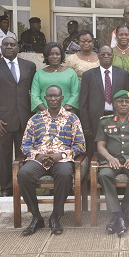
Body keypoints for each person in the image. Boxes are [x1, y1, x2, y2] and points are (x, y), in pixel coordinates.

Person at [18, 85, 85, 236]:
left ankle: (55, 216)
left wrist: (61, 155)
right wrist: (38, 156)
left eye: (56, 96)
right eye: (50, 96)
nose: (53, 99)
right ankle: (36, 217)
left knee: (64, 174)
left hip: (61, 159)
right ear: (45, 98)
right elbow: (25, 145)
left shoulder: (72, 118)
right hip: (38, 159)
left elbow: (80, 145)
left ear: (62, 98)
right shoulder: (35, 119)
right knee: (23, 174)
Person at [95, 90, 129, 237]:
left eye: (127, 102)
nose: (124, 104)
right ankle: (120, 216)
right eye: (120, 101)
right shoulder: (105, 121)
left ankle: (120, 214)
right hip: (112, 161)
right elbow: (100, 145)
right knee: (104, 175)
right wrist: (110, 158)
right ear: (114, 104)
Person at [0, 37, 36, 197]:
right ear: (1, 48)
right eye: (6, 45)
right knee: (4, 156)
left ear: (18, 47)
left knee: (24, 154)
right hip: (2, 121)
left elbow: (34, 93)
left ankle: (23, 186)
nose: (9, 47)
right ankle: (6, 188)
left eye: (12, 44)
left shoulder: (29, 66)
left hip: (25, 120)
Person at [79, 45, 129, 159]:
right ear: (98, 56)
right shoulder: (88, 75)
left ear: (113, 56)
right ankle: (92, 175)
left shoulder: (123, 74)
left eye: (109, 54)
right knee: (94, 150)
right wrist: (86, 125)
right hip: (95, 119)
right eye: (103, 54)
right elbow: (83, 103)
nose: (106, 56)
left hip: (117, 117)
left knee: (116, 147)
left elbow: (127, 100)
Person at [31, 42, 80, 113]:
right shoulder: (39, 74)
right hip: (43, 115)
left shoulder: (71, 72)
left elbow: (76, 94)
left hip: (67, 114)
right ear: (47, 56)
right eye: (51, 54)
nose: (55, 56)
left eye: (58, 54)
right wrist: (47, 112)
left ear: (62, 56)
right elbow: (34, 96)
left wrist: (63, 111)